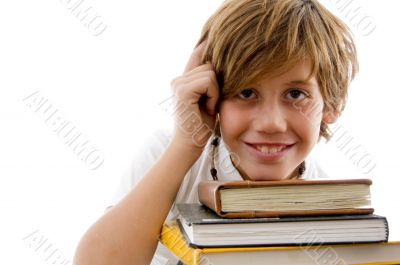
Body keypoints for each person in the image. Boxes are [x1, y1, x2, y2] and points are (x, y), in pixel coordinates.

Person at [73, 0, 358, 264]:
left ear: (330, 103)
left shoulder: (330, 203)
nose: (271, 123)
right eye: (246, 92)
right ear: (211, 94)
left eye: (296, 94)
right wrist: (185, 144)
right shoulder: (170, 154)